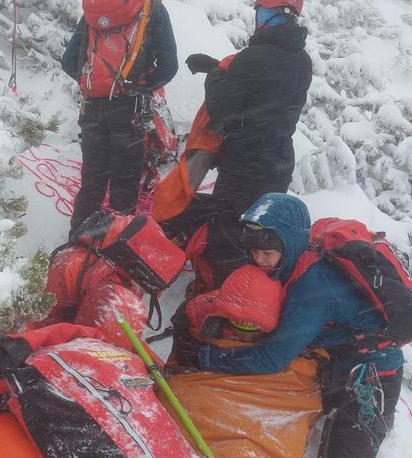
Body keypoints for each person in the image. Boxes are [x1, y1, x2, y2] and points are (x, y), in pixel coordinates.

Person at [174, 193, 404, 458]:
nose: (260, 260)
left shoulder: (312, 289)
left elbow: (271, 358)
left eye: (267, 253)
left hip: (374, 373)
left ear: (290, 242)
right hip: (340, 357)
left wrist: (204, 356)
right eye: (255, 252)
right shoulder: (296, 259)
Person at [159, 0, 312, 289]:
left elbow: (222, 108)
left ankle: (220, 298)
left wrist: (216, 75)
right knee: (257, 230)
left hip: (246, 161)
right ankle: (249, 293)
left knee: (227, 233)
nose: (260, 17)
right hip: (277, 161)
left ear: (283, 14)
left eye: (264, 12)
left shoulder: (253, 57)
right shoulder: (301, 61)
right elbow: (264, 90)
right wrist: (220, 68)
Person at [61, 0, 178, 235]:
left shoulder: (97, 5)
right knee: (123, 190)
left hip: (92, 109)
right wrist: (141, 86)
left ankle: (76, 247)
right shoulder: (149, 8)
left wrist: (94, 86)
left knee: (92, 185)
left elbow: (69, 61)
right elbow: (169, 67)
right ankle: (114, 255)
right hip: (130, 111)